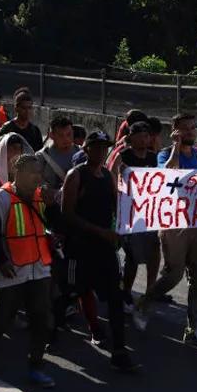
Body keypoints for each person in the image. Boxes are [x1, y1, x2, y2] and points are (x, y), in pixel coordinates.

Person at [132, 114, 197, 348]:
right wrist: (176, 148)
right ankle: (144, 302)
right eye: (185, 129)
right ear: (175, 132)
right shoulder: (164, 155)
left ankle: (193, 328)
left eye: (192, 128)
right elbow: (167, 174)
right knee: (174, 274)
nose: (190, 132)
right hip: (174, 223)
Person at [58, 130, 139, 373]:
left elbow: (116, 205)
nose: (102, 152)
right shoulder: (76, 176)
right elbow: (67, 215)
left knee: (114, 297)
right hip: (79, 249)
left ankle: (119, 350)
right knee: (70, 292)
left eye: (105, 147)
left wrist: (124, 224)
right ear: (87, 149)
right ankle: (49, 332)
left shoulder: (106, 175)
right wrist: (99, 231)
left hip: (104, 249)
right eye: (97, 147)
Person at [0, 155, 60, 387]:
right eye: (33, 172)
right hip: (11, 269)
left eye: (39, 173)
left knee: (41, 318)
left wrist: (52, 207)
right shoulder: (1, 198)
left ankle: (35, 365)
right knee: (2, 317)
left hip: (39, 268)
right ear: (18, 172)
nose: (38, 177)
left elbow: (55, 224)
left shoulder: (41, 197)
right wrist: (2, 260)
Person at [113, 121, 161, 307]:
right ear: (131, 137)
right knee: (132, 256)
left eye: (146, 136)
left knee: (154, 251)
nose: (143, 139)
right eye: (139, 135)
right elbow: (113, 177)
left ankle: (151, 290)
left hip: (149, 213)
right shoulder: (123, 157)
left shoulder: (154, 157)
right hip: (129, 214)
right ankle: (126, 291)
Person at [36, 114, 79, 190]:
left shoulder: (81, 153)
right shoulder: (42, 156)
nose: (66, 139)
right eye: (61, 135)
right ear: (51, 135)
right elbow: (35, 181)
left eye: (69, 134)